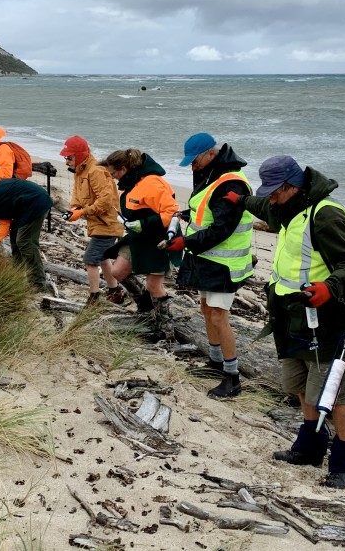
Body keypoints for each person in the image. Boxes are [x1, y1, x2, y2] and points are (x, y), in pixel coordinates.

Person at [225, 155, 345, 488]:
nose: (270, 197)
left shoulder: (326, 214)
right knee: (300, 386)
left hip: (327, 321)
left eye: (275, 191)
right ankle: (309, 448)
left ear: (294, 186)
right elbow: (262, 205)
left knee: (336, 395)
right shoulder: (285, 206)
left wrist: (329, 289)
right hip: (289, 317)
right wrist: (240, 199)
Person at [162, 132, 254, 398]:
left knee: (218, 316)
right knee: (205, 308)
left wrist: (186, 243)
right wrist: (185, 214)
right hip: (207, 258)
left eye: (195, 160)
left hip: (225, 264)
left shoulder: (231, 184)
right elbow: (206, 210)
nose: (192, 165)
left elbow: (222, 228)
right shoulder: (212, 176)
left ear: (211, 154)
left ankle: (232, 377)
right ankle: (215, 363)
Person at [99, 148, 181, 340]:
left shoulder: (153, 183)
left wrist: (143, 223)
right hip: (138, 236)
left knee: (154, 285)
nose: (113, 178)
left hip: (159, 238)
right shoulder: (131, 183)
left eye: (114, 174)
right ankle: (145, 308)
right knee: (117, 272)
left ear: (125, 168)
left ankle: (165, 330)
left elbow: (172, 213)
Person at [60, 135, 124, 305]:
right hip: (98, 224)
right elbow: (76, 196)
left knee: (90, 260)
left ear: (80, 155)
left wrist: (83, 212)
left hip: (107, 224)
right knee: (102, 258)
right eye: (66, 158)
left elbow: (106, 200)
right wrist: (74, 210)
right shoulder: (80, 172)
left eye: (69, 157)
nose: (67, 161)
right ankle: (114, 291)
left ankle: (94, 297)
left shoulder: (95, 171)